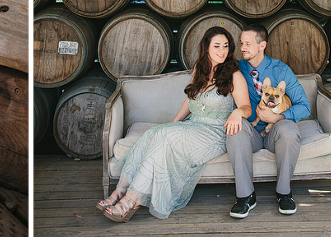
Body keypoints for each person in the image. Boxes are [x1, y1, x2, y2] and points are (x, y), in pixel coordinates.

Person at [98, 27, 252, 222]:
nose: (222, 50)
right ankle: (119, 191)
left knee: (165, 136)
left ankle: (131, 200)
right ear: (206, 48)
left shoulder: (233, 75)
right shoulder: (200, 69)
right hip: (194, 125)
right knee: (156, 133)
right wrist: (173, 124)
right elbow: (190, 100)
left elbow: (247, 107)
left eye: (226, 46)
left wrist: (238, 111)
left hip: (215, 133)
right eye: (217, 46)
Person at [228, 24, 310, 218]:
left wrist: (278, 117)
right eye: (241, 43)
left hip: (275, 132)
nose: (242, 48)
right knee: (235, 129)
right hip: (251, 131)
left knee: (289, 130)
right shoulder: (236, 69)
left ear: (262, 45)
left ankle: (284, 193)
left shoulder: (281, 70)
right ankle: (246, 196)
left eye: (248, 43)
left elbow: (304, 106)